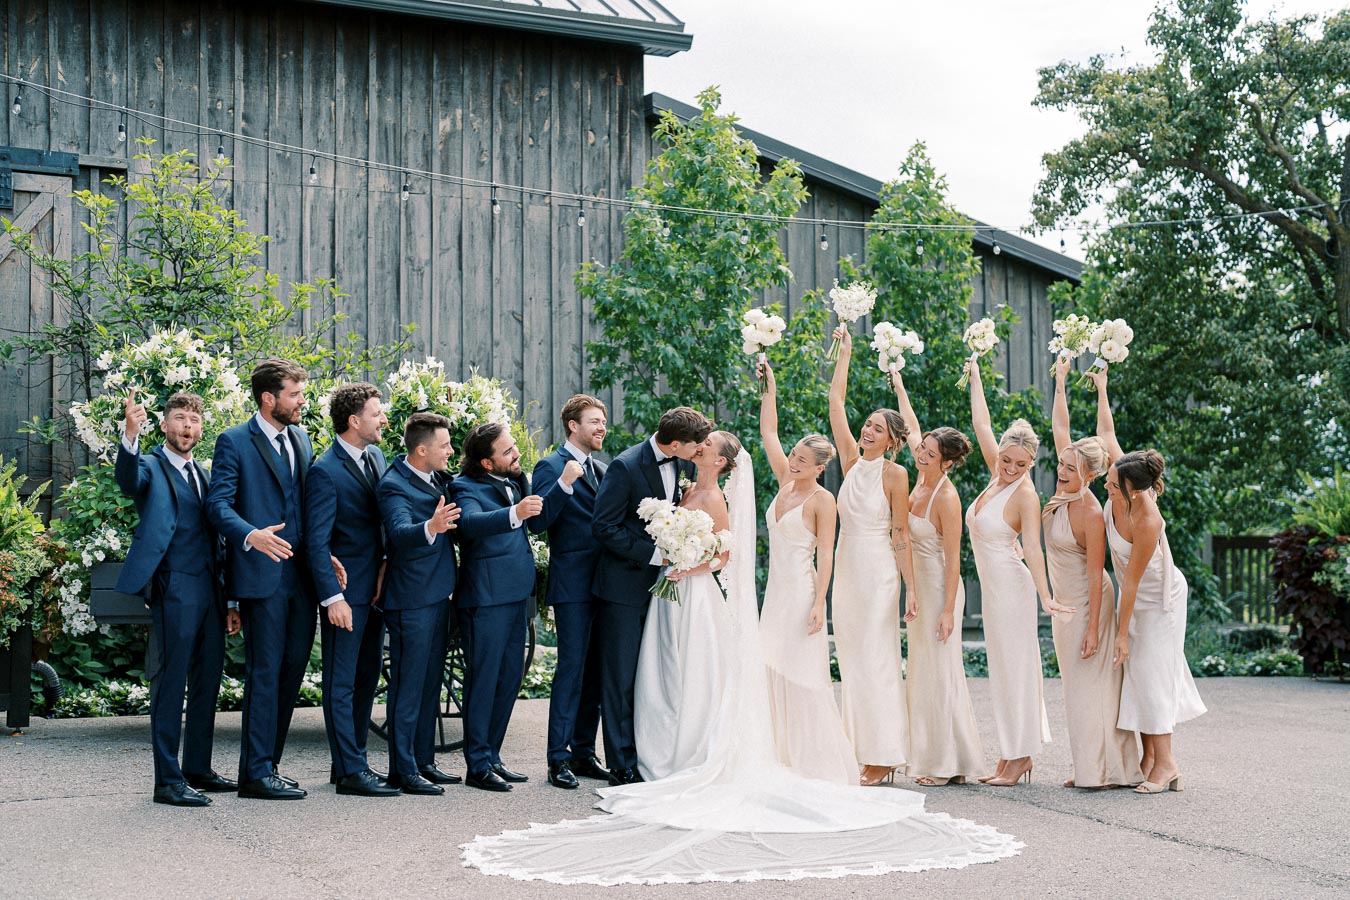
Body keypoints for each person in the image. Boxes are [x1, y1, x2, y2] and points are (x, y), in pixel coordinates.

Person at [461, 435, 1023, 885]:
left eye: (708, 447)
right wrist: (672, 551)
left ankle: (688, 752)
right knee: (663, 675)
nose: (699, 449)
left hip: (696, 590)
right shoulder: (682, 484)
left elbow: (725, 550)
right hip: (668, 592)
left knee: (694, 674)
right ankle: (654, 752)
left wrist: (691, 560)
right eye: (698, 444)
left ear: (722, 460)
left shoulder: (728, 496)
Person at [116, 391, 239, 807]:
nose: (188, 427)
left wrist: (230, 602)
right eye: (180, 419)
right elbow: (128, 481)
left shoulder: (204, 475)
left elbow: (218, 538)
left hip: (210, 590)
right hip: (174, 587)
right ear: (165, 425)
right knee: (171, 684)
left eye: (195, 420)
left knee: (207, 680)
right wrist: (130, 437)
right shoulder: (150, 466)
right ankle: (167, 781)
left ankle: (197, 768)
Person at [206, 358, 318, 799]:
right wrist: (250, 535)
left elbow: (308, 507)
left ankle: (269, 763)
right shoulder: (234, 441)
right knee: (265, 672)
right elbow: (217, 506)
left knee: (292, 671)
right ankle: (254, 774)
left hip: (302, 577)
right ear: (268, 398)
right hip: (259, 574)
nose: (301, 402)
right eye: (294, 394)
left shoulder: (303, 439)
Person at [1091, 368, 1206, 794]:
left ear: (1134, 491)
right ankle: (1148, 759)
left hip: (1160, 599)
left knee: (1151, 672)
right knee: (1139, 674)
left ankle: (1167, 765)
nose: (1106, 483)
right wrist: (1102, 388)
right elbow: (1106, 433)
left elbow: (1133, 585)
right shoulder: (1125, 476)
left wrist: (1122, 636)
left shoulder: (1147, 517)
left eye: (1111, 484)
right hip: (1137, 595)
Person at [965, 356, 1072, 787]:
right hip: (993, 591)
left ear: (1031, 465)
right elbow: (982, 425)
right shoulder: (996, 474)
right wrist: (974, 375)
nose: (1010, 469)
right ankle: (1009, 753)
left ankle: (1023, 755)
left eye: (1020, 465)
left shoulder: (1025, 495)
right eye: (1007, 460)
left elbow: (1033, 549)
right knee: (1002, 670)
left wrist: (1046, 597)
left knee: (1018, 669)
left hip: (1012, 586)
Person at [452, 422, 575, 792]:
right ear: (487, 464)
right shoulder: (464, 486)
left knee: (508, 680)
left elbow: (535, 520)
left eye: (513, 447)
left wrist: (563, 486)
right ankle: (477, 765)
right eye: (507, 452)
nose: (516, 454)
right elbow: (470, 525)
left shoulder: (518, 481)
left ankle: (493, 756)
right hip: (486, 598)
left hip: (518, 596)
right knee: (484, 680)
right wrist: (513, 514)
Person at [591, 406, 706, 786]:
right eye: (696, 445)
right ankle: (621, 762)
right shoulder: (625, 467)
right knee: (620, 677)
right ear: (675, 443)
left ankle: (650, 753)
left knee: (653, 676)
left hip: (663, 590)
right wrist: (656, 554)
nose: (700, 450)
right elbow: (603, 526)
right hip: (622, 589)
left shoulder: (684, 466)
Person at [756, 362, 855, 784]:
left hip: (801, 592)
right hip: (774, 593)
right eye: (794, 456)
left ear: (819, 467)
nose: (793, 462)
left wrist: (820, 605)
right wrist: (769, 391)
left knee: (801, 671)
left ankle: (809, 759)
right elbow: (768, 434)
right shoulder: (783, 482)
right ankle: (776, 752)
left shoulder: (822, 499)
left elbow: (827, 555)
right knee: (769, 665)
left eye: (802, 460)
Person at [826, 327, 916, 786]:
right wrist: (846, 352)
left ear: (892, 439)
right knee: (853, 659)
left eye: (877, 428)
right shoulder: (848, 461)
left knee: (879, 658)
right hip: (846, 571)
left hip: (880, 573)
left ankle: (884, 755)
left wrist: (911, 589)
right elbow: (835, 404)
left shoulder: (895, 475)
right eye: (868, 425)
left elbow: (901, 534)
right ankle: (859, 748)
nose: (866, 429)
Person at [1047, 359, 1143, 789]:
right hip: (1063, 606)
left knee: (1095, 688)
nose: (1061, 469)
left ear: (1087, 473)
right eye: (1062, 464)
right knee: (1074, 690)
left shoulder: (1087, 509)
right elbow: (1060, 431)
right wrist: (1062, 383)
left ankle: (1107, 770)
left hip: (1088, 605)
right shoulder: (1063, 495)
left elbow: (1095, 575)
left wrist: (1092, 629)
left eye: (1069, 467)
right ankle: (1088, 764)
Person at [304, 382, 401, 797]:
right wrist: (333, 599)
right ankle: (350, 772)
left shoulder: (376, 456)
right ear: (353, 420)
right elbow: (317, 542)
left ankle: (350, 760)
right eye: (377, 413)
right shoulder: (324, 471)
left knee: (365, 680)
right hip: (346, 596)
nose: (384, 420)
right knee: (340, 683)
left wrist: (383, 565)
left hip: (375, 589)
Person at [891, 371, 986, 786]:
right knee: (922, 671)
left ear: (947, 461)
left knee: (940, 671)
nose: (921, 455)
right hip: (919, 588)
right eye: (922, 449)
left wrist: (949, 611)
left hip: (941, 588)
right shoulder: (919, 476)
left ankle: (945, 763)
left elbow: (954, 560)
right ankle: (941, 756)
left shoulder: (946, 496)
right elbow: (910, 424)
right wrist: (897, 382)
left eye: (930, 453)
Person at [376, 412, 462, 796]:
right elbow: (397, 533)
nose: (450, 451)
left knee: (429, 684)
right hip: (410, 599)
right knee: (408, 687)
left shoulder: (438, 478)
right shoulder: (394, 485)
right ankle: (402, 769)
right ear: (422, 449)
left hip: (438, 593)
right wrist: (432, 526)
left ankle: (424, 760)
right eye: (444, 445)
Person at [529, 395, 609, 789]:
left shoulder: (606, 469)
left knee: (595, 672)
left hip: (606, 583)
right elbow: (539, 520)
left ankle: (583, 752)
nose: (601, 427)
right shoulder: (550, 466)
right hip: (573, 583)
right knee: (571, 671)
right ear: (573, 425)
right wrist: (563, 484)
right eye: (594, 421)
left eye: (604, 421)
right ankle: (557, 758)